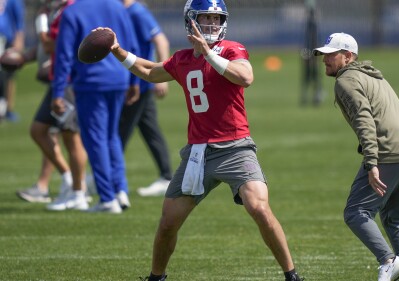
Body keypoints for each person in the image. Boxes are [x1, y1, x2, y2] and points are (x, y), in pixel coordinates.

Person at [102, 0, 304, 279]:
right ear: (190, 21)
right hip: (198, 152)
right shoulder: (183, 59)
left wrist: (209, 54)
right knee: (168, 222)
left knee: (258, 207)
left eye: (216, 19)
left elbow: (245, 77)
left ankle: (292, 275)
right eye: (205, 18)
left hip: (236, 148)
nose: (211, 24)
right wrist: (116, 50)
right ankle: (156, 277)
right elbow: (149, 71)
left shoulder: (231, 49)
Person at [313, 32, 399, 281]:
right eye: (324, 55)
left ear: (348, 56)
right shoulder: (371, 75)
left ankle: (388, 261)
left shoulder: (346, 81)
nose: (325, 60)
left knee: (356, 212)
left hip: (389, 150)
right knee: (393, 216)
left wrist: (372, 163)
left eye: (331, 55)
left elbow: (365, 120)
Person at [52, 0, 139, 213]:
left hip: (90, 83)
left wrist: (57, 92)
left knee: (95, 139)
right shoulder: (118, 7)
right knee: (111, 137)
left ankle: (107, 198)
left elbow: (63, 55)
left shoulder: (72, 12)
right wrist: (135, 81)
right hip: (119, 78)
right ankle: (120, 190)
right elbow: (133, 43)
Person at [17, 0, 90, 211]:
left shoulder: (69, 10)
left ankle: (79, 192)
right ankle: (69, 180)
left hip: (68, 82)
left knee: (71, 137)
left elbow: (51, 45)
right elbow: (44, 47)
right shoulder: (56, 10)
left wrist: (40, 25)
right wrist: (23, 57)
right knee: (39, 130)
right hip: (58, 81)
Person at [120, 0, 173, 197]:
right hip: (135, 82)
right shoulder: (124, 10)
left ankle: (105, 177)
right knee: (149, 130)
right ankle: (167, 177)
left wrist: (162, 78)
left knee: (119, 132)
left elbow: (161, 41)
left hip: (140, 84)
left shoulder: (137, 12)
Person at [0, 0, 24, 122]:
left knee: (8, 74)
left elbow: (18, 18)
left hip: (5, 39)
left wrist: (19, 39)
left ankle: (8, 109)